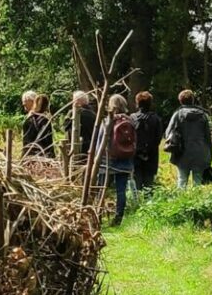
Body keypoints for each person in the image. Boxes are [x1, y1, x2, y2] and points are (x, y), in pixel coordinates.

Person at [96, 94, 137, 226]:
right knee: (121, 191)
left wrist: (96, 158)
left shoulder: (107, 121)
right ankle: (118, 218)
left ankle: (98, 215)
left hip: (107, 160)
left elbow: (100, 142)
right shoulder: (131, 121)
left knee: (102, 189)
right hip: (125, 160)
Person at [164, 90, 212, 189]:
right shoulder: (203, 115)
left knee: (182, 180)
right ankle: (196, 203)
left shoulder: (177, 114)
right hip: (200, 152)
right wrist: (210, 154)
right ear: (193, 100)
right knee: (198, 182)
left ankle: (181, 202)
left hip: (182, 152)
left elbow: (168, 133)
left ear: (180, 101)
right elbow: (208, 136)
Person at [129, 91, 163, 192]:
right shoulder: (156, 119)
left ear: (137, 103)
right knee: (149, 185)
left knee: (136, 183)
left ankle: (136, 204)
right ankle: (149, 205)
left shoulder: (131, 118)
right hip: (151, 156)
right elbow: (158, 138)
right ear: (150, 103)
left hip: (135, 156)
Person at [65, 90, 97, 158]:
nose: (72, 103)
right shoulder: (94, 114)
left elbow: (65, 127)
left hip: (75, 148)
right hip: (90, 148)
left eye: (74, 100)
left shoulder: (73, 113)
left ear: (78, 101)